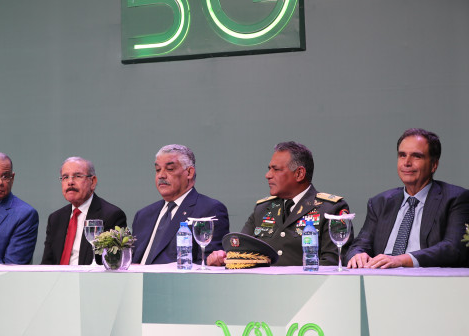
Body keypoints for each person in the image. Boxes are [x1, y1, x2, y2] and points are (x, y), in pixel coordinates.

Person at [207, 141, 350, 267]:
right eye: (269, 169)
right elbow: (240, 254)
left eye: (276, 169)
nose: (268, 175)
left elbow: (332, 263)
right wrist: (221, 258)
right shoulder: (262, 209)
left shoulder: (330, 209)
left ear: (299, 174)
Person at [346, 128, 469, 268]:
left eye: (416, 156)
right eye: (402, 155)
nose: (407, 162)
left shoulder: (455, 198)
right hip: (380, 277)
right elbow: (358, 246)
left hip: (426, 278)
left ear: (434, 165)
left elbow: (453, 248)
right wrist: (358, 255)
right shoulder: (380, 202)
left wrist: (402, 260)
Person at [132, 144, 229, 265]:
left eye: (170, 169)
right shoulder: (143, 215)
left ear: (189, 172)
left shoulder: (209, 209)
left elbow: (208, 262)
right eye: (158, 170)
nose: (161, 175)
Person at [41, 157, 127, 265]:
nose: (70, 182)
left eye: (77, 176)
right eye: (65, 177)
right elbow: (47, 263)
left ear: (93, 182)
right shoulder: (55, 218)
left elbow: (112, 263)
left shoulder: (111, 216)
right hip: (58, 275)